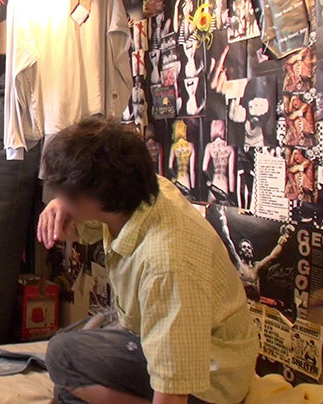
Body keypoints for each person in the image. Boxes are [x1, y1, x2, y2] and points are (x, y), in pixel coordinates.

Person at [38, 117, 258, 404]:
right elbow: (95, 222)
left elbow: (174, 384)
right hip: (173, 340)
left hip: (212, 380)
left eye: (63, 193)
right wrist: (61, 205)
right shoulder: (144, 189)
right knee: (71, 346)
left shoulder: (166, 263)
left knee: (62, 357)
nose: (57, 199)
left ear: (91, 198)